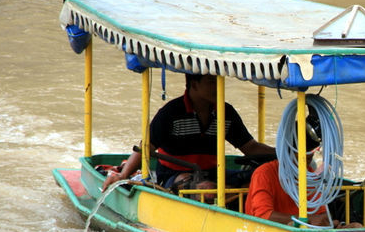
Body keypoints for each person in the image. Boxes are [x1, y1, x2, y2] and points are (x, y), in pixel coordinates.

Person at [102, 73, 274, 191]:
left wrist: (286, 154)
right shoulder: (171, 112)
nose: (218, 87)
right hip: (174, 175)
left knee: (261, 177)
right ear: (194, 84)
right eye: (211, 82)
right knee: (204, 189)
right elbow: (146, 148)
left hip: (214, 172)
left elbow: (250, 147)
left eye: (218, 81)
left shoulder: (225, 112)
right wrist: (123, 175)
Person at [244, 114, 359, 228]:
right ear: (287, 151)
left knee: (356, 227)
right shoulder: (264, 174)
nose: (308, 158)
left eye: (310, 154)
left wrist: (332, 226)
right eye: (302, 154)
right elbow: (264, 216)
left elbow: (321, 213)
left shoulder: (308, 174)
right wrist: (305, 220)